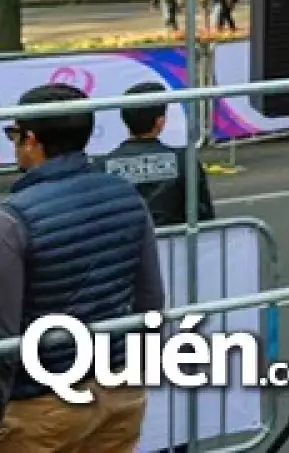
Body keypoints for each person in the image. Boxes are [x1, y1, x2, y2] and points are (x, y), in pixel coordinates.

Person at [0, 83, 164, 452]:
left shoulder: (14, 219)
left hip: (43, 399)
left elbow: (5, 337)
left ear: (30, 140)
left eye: (13, 134)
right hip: (118, 384)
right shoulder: (127, 196)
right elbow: (151, 300)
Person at [98, 82, 216, 227]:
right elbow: (204, 217)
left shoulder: (102, 167)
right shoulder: (184, 161)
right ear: (160, 122)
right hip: (177, 246)